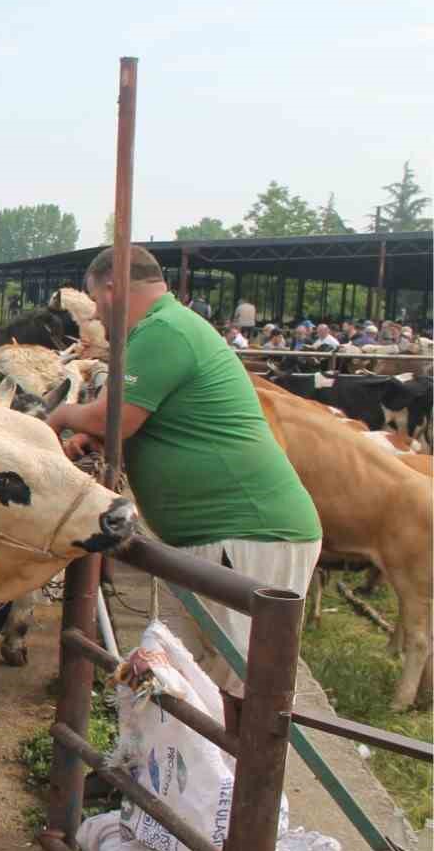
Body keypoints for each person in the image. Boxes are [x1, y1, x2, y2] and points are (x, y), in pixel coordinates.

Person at [45, 247, 320, 692]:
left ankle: (241, 764)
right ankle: (198, 761)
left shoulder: (163, 331)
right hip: (222, 537)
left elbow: (113, 417)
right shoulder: (165, 328)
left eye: (96, 300)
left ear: (114, 287)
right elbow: (136, 421)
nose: (96, 313)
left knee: (239, 685)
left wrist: (60, 418)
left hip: (249, 534)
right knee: (192, 677)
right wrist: (94, 437)